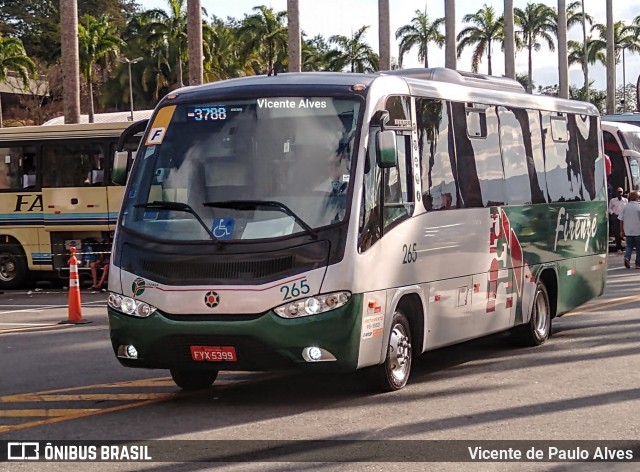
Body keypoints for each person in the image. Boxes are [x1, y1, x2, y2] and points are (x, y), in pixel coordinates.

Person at [618, 190, 640, 269]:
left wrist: (621, 231)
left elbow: (621, 219)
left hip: (628, 231)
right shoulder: (638, 206)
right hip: (638, 231)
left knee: (629, 246)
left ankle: (627, 257)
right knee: (639, 248)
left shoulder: (625, 207)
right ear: (637, 198)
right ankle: (638, 264)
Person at [608, 187, 627, 253]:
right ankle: (618, 247)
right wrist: (612, 213)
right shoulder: (613, 200)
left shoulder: (625, 200)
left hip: (624, 218)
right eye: (619, 192)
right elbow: (609, 209)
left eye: (621, 192)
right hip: (616, 217)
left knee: (624, 232)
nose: (620, 193)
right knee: (617, 233)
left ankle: (626, 247)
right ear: (616, 193)